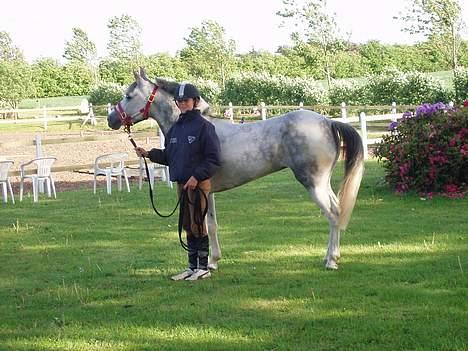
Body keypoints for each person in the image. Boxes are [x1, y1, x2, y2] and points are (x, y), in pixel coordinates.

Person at [135, 83, 221, 281]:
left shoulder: (205, 127)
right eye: (179, 101)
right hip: (182, 184)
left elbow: (213, 159)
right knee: (188, 224)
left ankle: (203, 266)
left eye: (186, 101)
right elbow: (170, 156)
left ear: (195, 102)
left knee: (199, 224)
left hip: (198, 184)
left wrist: (196, 177)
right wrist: (149, 154)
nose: (182, 104)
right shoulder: (175, 129)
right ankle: (192, 266)